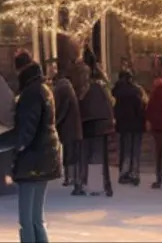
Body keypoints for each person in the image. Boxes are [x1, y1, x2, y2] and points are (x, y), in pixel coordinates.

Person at [13, 52, 62, 243]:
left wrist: (17, 147)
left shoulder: (30, 93)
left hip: (32, 159)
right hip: (47, 155)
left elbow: (27, 128)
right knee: (36, 219)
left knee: (27, 220)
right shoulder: (44, 89)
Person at [77, 49, 114, 197]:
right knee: (99, 154)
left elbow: (80, 100)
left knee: (87, 153)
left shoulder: (83, 80)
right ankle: (102, 184)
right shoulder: (102, 82)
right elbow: (110, 101)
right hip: (102, 122)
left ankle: (88, 183)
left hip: (88, 122)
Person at [46, 58, 83, 194]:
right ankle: (72, 177)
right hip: (73, 127)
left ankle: (71, 177)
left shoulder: (62, 89)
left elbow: (61, 109)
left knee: (70, 153)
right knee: (72, 152)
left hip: (68, 128)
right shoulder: (68, 88)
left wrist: (56, 122)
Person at [112, 69, 147, 186]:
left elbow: (115, 110)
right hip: (137, 125)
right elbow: (142, 107)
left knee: (125, 150)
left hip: (124, 125)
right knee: (135, 150)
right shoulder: (137, 90)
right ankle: (134, 173)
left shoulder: (117, 93)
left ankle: (124, 172)